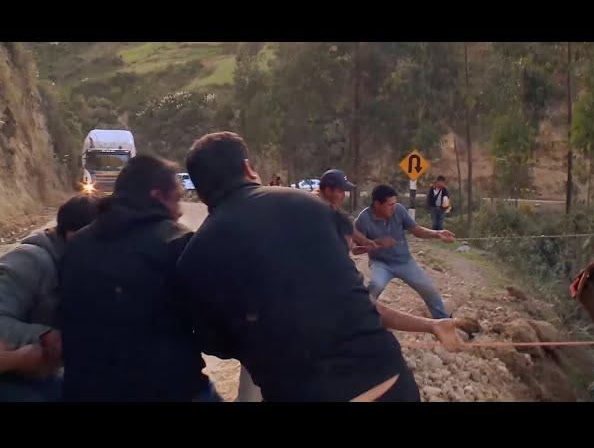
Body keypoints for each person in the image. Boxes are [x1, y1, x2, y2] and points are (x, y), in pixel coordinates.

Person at [177, 131, 464, 402]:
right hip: (389, 383)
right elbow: (358, 300)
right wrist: (431, 325)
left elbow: (217, 344)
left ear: (199, 192)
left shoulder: (195, 256)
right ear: (249, 168)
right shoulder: (309, 207)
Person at [59, 155, 219, 402]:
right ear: (157, 196)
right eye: (176, 199)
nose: (179, 212)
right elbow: (213, 333)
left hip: (84, 391)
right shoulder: (177, 243)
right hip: (169, 391)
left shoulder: (76, 245)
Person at [0, 195, 100, 401]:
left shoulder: (79, 265)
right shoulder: (30, 260)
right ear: (75, 237)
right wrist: (44, 336)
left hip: (40, 373)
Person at [355, 184, 454, 319]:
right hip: (380, 263)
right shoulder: (363, 219)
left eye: (395, 203)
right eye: (390, 204)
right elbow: (355, 251)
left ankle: (444, 322)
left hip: (405, 262)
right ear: (377, 204)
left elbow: (417, 230)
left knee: (429, 289)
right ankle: (360, 319)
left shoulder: (399, 210)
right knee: (375, 286)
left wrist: (437, 234)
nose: (393, 207)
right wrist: (377, 243)